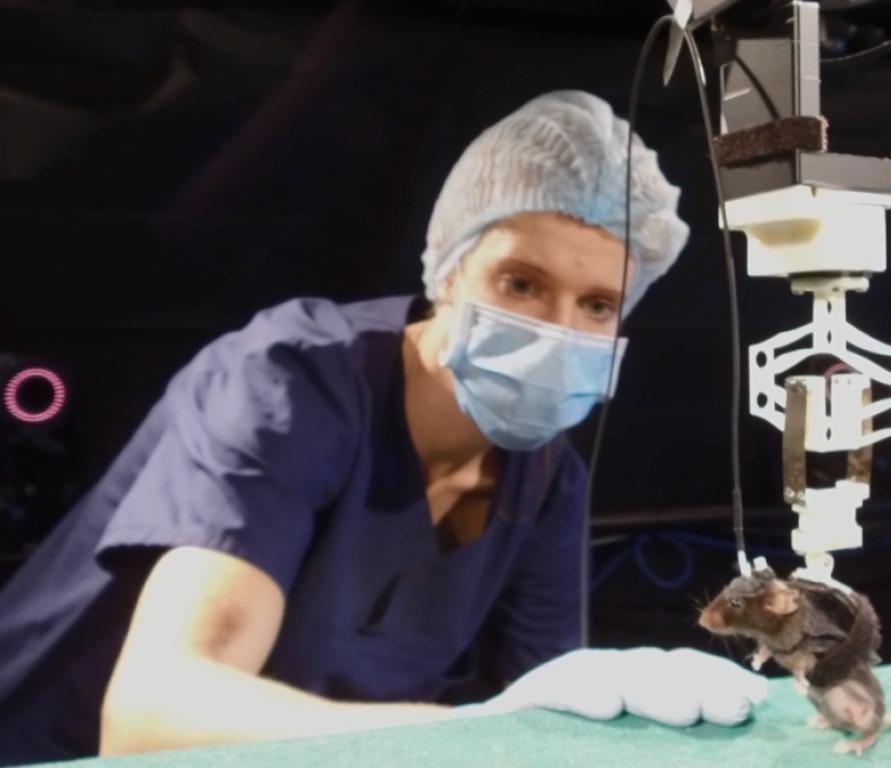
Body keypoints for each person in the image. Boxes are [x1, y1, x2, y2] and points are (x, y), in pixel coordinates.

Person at [0, 90, 766, 765]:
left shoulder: (545, 483)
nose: (557, 331)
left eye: (598, 305)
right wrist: (471, 739)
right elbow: (151, 721)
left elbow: (550, 718)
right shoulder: (289, 386)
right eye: (521, 283)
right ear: (450, 269)